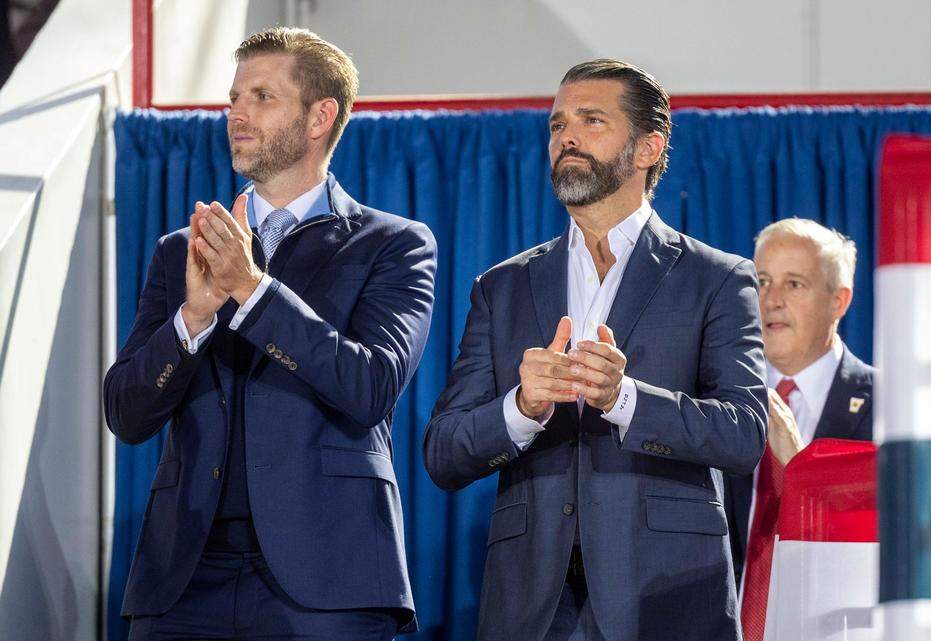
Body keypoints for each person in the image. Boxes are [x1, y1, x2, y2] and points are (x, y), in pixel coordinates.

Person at [103, 27, 436, 640]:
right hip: (183, 578)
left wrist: (253, 291)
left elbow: (369, 386)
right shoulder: (181, 251)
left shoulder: (394, 244)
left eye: (261, 96)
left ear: (320, 117)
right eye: (233, 98)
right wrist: (192, 320)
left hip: (328, 576)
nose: (237, 115)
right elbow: (126, 413)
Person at [424, 59, 767, 641]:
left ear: (647, 148)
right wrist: (521, 408)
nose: (568, 138)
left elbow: (743, 434)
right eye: (558, 126)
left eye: (591, 121)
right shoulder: (501, 286)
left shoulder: (717, 278)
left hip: (666, 601)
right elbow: (443, 453)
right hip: (532, 608)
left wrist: (626, 398)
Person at [724, 218, 874, 585]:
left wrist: (802, 469)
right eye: (761, 282)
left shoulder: (890, 405)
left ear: (839, 301)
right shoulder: (718, 397)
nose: (771, 300)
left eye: (794, 284)